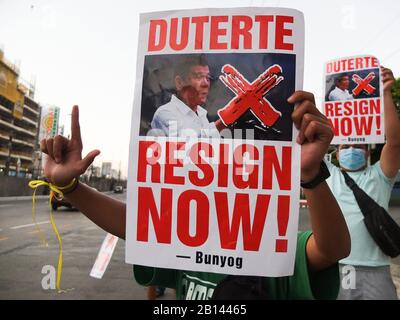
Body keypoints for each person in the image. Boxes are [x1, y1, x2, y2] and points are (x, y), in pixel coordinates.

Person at [39, 89, 350, 300]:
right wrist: (69, 188)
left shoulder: (271, 248)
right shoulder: (190, 239)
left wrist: (311, 175)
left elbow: (331, 248)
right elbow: (134, 223)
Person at [324, 66, 400, 300]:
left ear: (369, 153)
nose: (352, 149)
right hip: (336, 267)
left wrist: (386, 93)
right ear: (336, 153)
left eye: (359, 146)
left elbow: (395, 143)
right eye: (346, 146)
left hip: (376, 270)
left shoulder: (379, 175)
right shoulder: (328, 173)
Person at [150, 55, 226, 138]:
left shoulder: (201, 113)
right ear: (179, 83)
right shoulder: (164, 113)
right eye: (199, 76)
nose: (206, 84)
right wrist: (223, 122)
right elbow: (187, 145)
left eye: (208, 77)